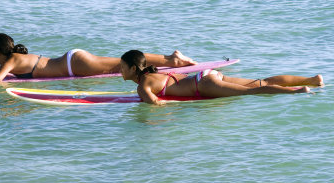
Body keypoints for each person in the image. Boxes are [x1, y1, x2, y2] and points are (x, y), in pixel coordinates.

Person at [120, 50, 324, 105]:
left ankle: (298, 90)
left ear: (132, 68)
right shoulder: (154, 74)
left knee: (252, 92)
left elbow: (155, 104)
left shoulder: (142, 85)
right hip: (206, 75)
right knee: (262, 82)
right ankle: (312, 80)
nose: (120, 71)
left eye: (122, 67)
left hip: (204, 85)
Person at [0, 33, 197, 84]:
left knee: (120, 63)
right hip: (72, 60)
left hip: (74, 64)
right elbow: (5, 73)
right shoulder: (13, 59)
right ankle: (170, 59)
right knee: (118, 63)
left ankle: (172, 60)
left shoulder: (11, 61)